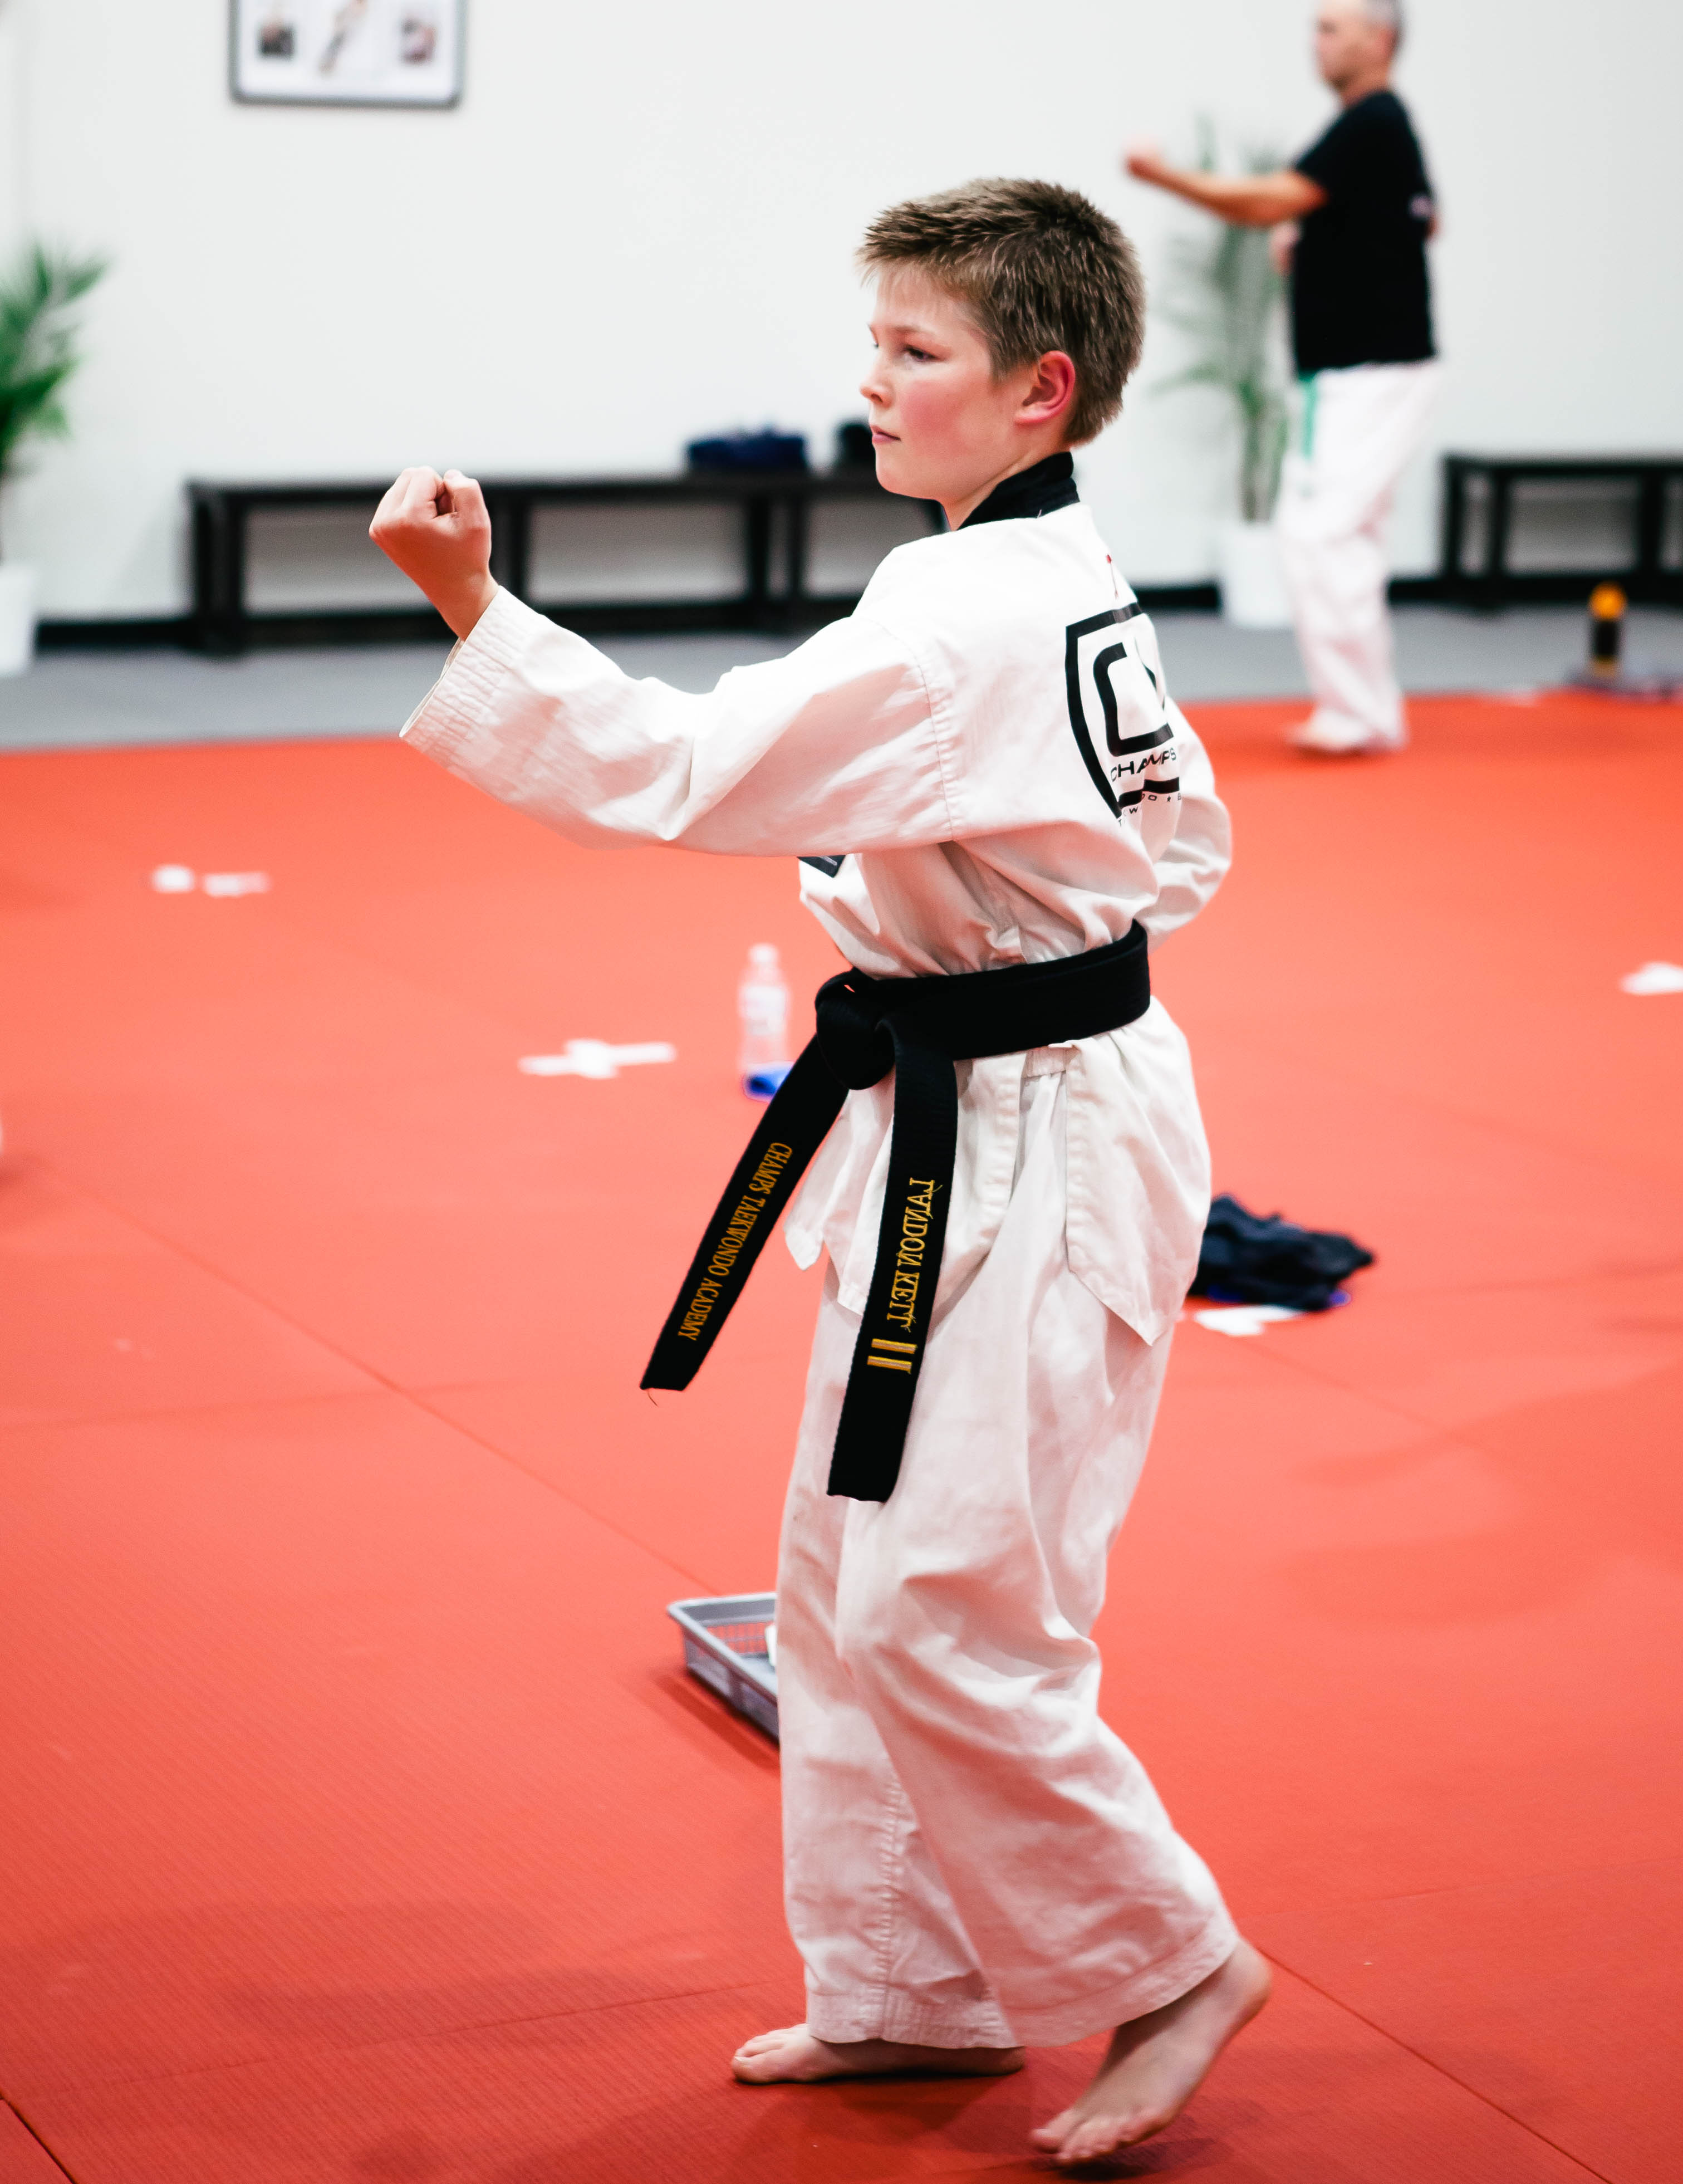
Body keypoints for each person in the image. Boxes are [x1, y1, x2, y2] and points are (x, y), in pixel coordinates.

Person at [369, 178, 1270, 2167]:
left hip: (1029, 1121)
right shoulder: (1042, 569)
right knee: (841, 1569)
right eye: (869, 341)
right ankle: (907, 1988)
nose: (869, 383)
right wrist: (972, 910)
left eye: (913, 353)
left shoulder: (966, 609)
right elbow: (1180, 841)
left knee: (949, 1591)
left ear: (1037, 391)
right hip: (995, 1089)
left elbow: (688, 769)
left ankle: (1168, 1957)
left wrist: (470, 610)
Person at [1127, 0, 1440, 755]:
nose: (1317, 43)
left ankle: (1361, 712)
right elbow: (1422, 219)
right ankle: (1362, 709)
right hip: (1355, 369)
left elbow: (1265, 199)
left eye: (1332, 28)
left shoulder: (1371, 120)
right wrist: (1324, 242)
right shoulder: (1377, 128)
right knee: (1338, 536)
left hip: (1371, 369)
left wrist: (1162, 174)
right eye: (1315, 27)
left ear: (1379, 38)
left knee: (1320, 533)